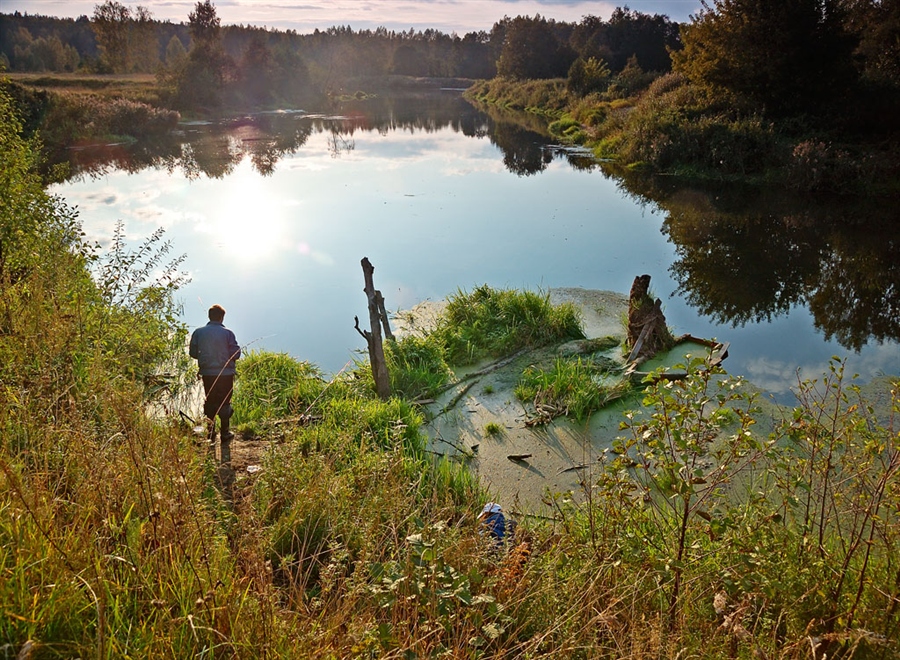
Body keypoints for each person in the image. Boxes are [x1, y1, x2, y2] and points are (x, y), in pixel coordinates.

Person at [189, 304, 241, 443]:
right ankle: (225, 433)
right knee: (224, 401)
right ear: (221, 317)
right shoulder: (228, 333)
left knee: (210, 400)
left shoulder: (198, 332)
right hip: (226, 375)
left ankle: (210, 433)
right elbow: (236, 354)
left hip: (208, 374)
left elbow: (193, 353)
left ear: (209, 316)